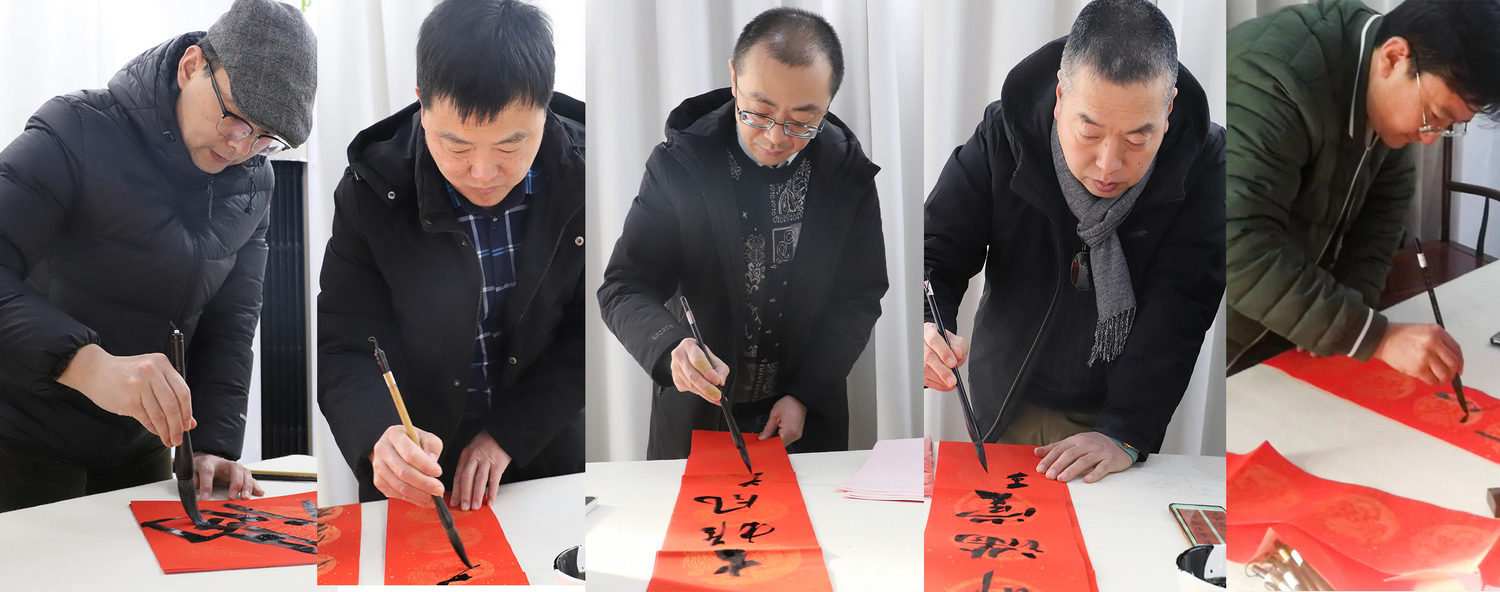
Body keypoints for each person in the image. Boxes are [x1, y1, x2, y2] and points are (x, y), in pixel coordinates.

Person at [0, 0, 316, 511]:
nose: (241, 148)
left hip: (138, 444)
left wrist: (213, 443)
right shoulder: (74, 131)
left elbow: (231, 321)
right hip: (19, 434)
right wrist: (86, 365)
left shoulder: (255, 182)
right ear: (191, 67)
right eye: (236, 119)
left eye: (266, 138)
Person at [924, 0, 1225, 483]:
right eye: (1089, 132)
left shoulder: (1204, 162)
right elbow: (936, 248)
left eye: (1136, 140)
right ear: (1061, 95)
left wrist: (1125, 430)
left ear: (1168, 109)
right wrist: (926, 323)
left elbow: (1182, 304)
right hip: (1006, 394)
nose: (1108, 164)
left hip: (1118, 408)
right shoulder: (1006, 134)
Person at [319, 0, 584, 511]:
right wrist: (377, 437)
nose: (482, 173)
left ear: (545, 106)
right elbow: (344, 344)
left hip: (544, 454)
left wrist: (508, 434)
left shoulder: (585, 174)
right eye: (457, 146)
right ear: (422, 102)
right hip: (417, 471)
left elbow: (585, 334)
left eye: (509, 146)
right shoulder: (372, 189)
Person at [599, 7, 886, 459]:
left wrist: (805, 394)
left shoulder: (847, 175)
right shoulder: (680, 164)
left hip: (805, 420)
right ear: (734, 79)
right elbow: (624, 286)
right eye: (759, 112)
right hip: (697, 415)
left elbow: (858, 297)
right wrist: (672, 346)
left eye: (801, 122)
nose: (775, 137)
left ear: (829, 103)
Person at [1227, 0, 1500, 381]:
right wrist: (1375, 336)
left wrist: (1341, 321)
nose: (1430, 138)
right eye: (1434, 116)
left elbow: (1381, 223)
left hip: (1283, 320)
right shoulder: (1275, 81)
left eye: (1449, 125)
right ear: (1394, 57)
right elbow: (1236, 247)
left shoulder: (1380, 93)